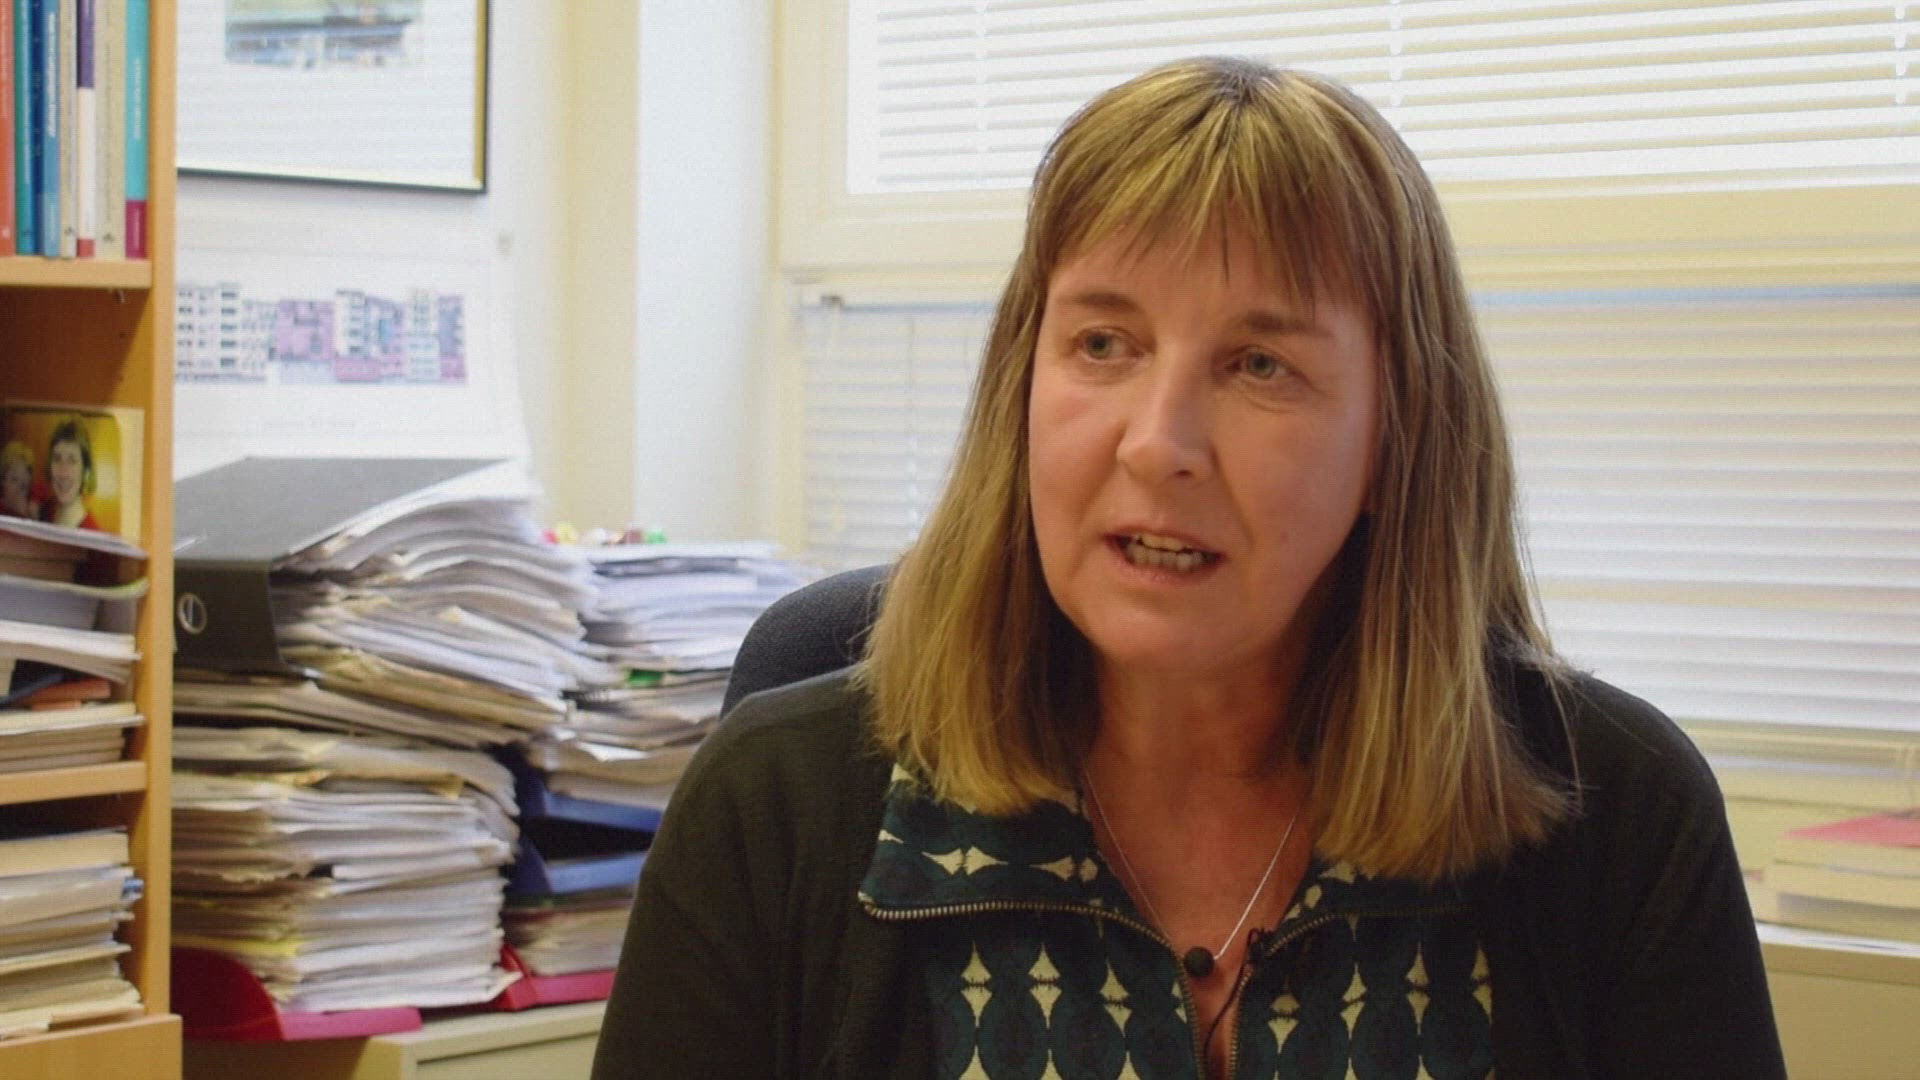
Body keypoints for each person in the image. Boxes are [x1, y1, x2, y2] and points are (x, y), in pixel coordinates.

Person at [594, 58, 1784, 1080]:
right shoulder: (777, 810)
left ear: (1396, 438)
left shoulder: (1618, 820)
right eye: (1103, 343)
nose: (1158, 443)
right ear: (1021, 388)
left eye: (1260, 364)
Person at [42, 418, 101, 531]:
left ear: (85, 471)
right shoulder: (45, 513)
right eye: (57, 459)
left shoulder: (92, 534)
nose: (63, 472)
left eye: (72, 460)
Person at [0, 440, 40, 519]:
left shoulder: (27, 510)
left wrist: (27, 516)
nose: (18, 489)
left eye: (24, 485)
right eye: (14, 480)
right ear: (3, 479)